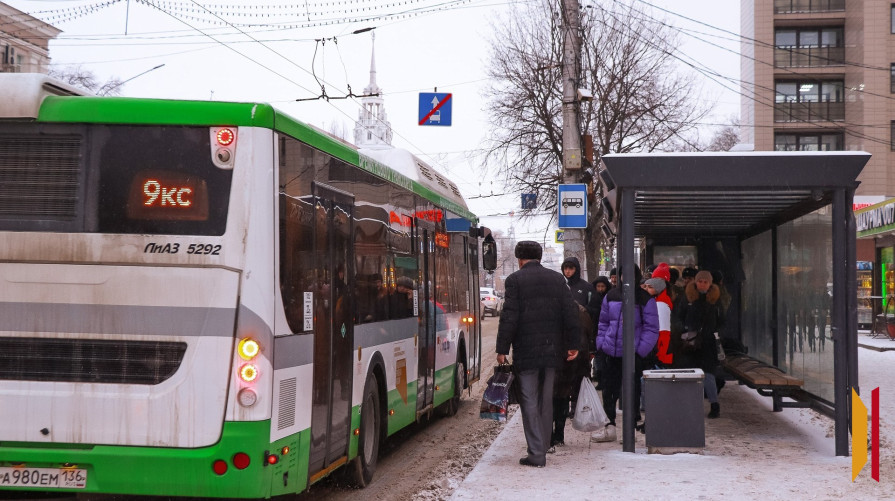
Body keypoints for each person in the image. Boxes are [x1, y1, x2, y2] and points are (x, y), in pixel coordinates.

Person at [496, 241, 580, 468]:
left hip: (526, 352)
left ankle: (536, 453)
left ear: (519, 259)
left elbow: (509, 316)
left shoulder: (515, 280)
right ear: (539, 257)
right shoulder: (557, 279)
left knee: (529, 400)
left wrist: (502, 349)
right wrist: (574, 344)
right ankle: (543, 446)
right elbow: (570, 313)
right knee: (546, 400)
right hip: (553, 351)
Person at [591, 265, 659, 443]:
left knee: (632, 392)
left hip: (632, 354)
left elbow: (651, 329)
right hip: (610, 352)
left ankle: (631, 429)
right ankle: (609, 427)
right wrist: (602, 344)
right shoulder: (611, 295)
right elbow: (603, 322)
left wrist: (640, 351)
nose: (625, 278)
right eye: (623, 275)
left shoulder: (644, 298)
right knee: (608, 391)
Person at [674, 270, 725, 419]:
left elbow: (722, 320)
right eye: (700, 281)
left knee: (708, 374)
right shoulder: (687, 297)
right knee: (689, 373)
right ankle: (690, 405)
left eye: (705, 282)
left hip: (708, 343)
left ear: (710, 283)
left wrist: (716, 334)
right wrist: (685, 330)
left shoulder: (715, 299)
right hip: (690, 342)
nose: (702, 284)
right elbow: (679, 317)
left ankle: (714, 404)